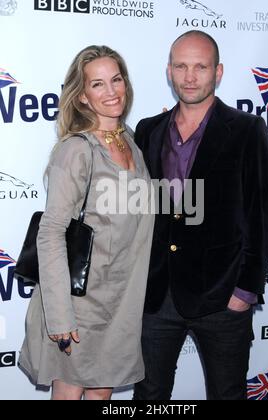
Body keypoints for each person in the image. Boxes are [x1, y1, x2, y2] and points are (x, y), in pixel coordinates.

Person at [133, 30, 268, 400]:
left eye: (201, 66)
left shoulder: (247, 130)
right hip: (158, 295)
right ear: (169, 71)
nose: (190, 76)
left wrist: (245, 291)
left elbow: (261, 214)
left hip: (223, 296)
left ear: (219, 72)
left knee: (227, 394)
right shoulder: (148, 130)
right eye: (181, 66)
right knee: (149, 395)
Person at [18, 45, 154, 400]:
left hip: (120, 301)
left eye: (116, 79)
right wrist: (60, 317)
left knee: (102, 395)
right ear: (81, 97)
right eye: (98, 85)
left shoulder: (132, 144)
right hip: (79, 305)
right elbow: (50, 234)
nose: (111, 92)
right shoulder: (77, 150)